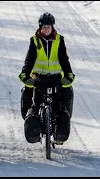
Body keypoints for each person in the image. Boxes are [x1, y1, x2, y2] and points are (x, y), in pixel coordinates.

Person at [18, 12, 75, 144]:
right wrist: (25, 75)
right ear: (40, 27)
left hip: (55, 77)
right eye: (44, 27)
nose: (46, 29)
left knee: (63, 97)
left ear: (52, 27)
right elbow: (29, 60)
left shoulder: (59, 39)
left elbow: (64, 59)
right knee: (33, 99)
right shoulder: (34, 40)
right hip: (38, 77)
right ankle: (32, 121)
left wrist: (68, 74)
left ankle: (60, 126)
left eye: (49, 27)